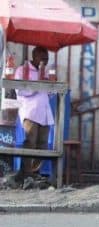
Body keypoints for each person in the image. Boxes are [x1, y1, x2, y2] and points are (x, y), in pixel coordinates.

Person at [9, 47, 54, 188]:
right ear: (34, 57)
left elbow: (49, 94)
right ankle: (26, 174)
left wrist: (51, 86)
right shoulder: (22, 70)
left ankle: (34, 173)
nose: (45, 61)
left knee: (43, 145)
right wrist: (37, 83)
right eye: (43, 58)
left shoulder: (46, 72)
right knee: (30, 143)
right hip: (30, 112)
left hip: (45, 113)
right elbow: (20, 91)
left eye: (47, 59)